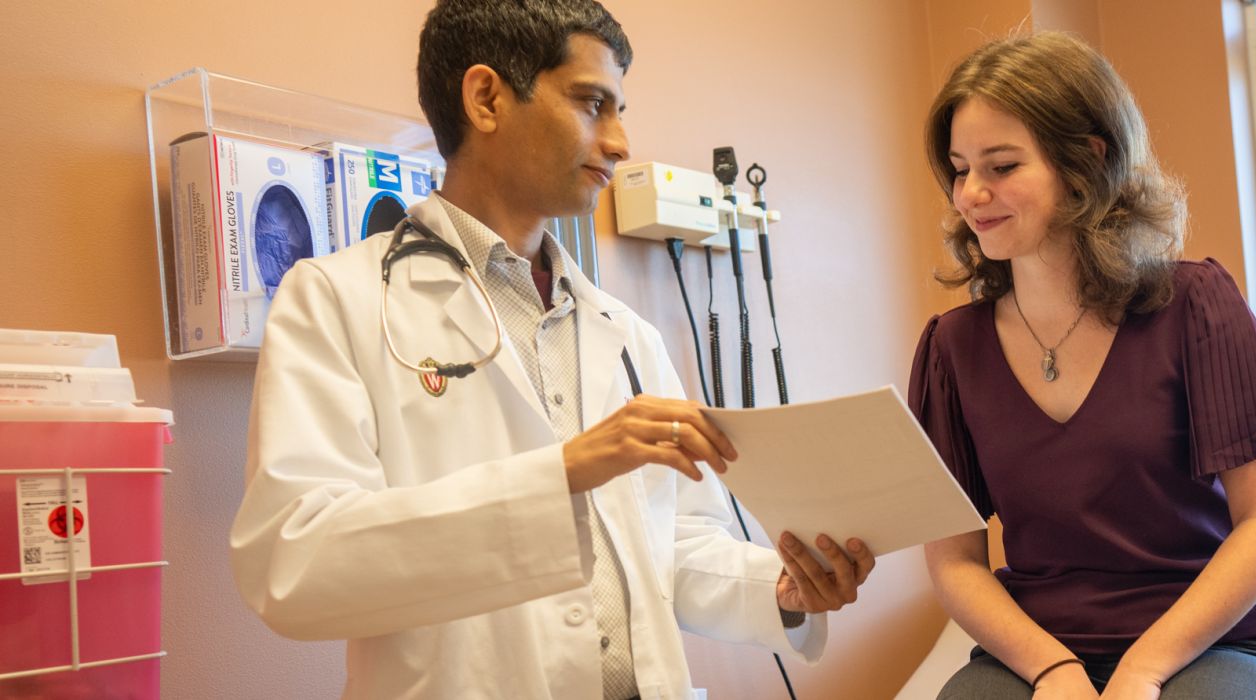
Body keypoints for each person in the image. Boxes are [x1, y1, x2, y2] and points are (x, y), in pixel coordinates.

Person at [228, 2, 874, 698]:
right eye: (593, 104)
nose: (622, 141)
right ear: (486, 98)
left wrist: (780, 588)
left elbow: (675, 545)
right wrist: (563, 473)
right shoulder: (335, 300)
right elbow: (295, 567)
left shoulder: (624, 334)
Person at [909, 32, 1256, 700]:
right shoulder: (952, 351)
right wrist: (1053, 668)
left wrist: (1145, 667)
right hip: (1035, 653)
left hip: (1210, 644)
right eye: (960, 169)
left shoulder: (1196, 306)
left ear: (1086, 162)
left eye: (1002, 166)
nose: (971, 194)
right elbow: (954, 562)